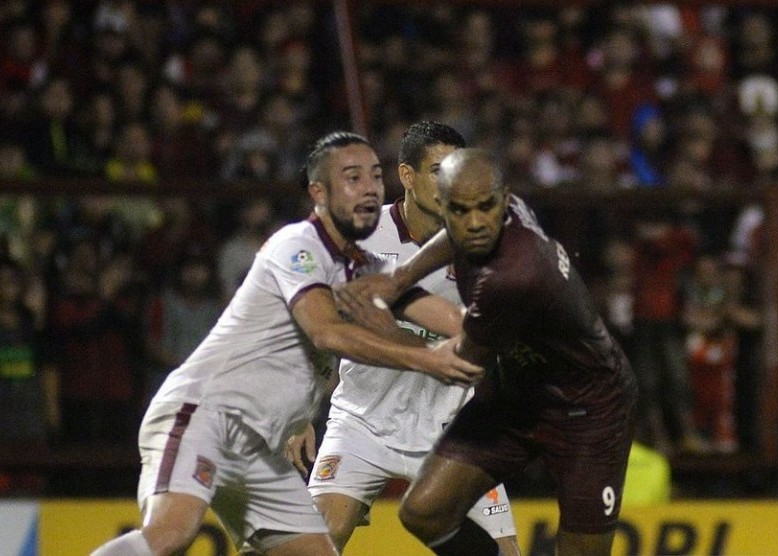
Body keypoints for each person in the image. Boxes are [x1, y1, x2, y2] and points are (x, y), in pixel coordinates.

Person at [90, 131, 483, 556]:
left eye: (374, 175)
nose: (369, 187)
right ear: (319, 192)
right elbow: (326, 332)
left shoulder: (366, 267)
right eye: (352, 177)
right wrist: (427, 358)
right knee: (170, 534)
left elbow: (451, 321)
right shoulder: (298, 247)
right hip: (205, 416)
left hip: (259, 448)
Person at [336, 148, 638, 555]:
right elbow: (455, 238)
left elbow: (459, 365)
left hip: (589, 409)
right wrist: (400, 276)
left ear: (503, 198)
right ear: (445, 207)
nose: (475, 222)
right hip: (518, 393)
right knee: (424, 512)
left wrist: (388, 318)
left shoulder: (512, 278)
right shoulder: (506, 209)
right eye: (460, 210)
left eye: (484, 208)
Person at [286, 122, 519, 554]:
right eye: (436, 170)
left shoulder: (483, 245)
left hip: (453, 428)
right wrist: (299, 411)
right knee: (312, 544)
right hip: (361, 420)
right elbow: (312, 326)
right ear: (407, 176)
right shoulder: (362, 237)